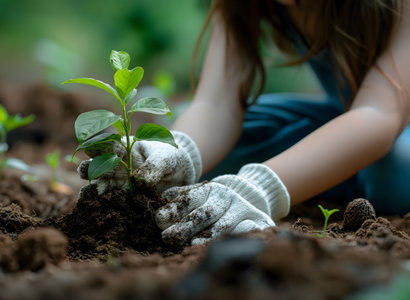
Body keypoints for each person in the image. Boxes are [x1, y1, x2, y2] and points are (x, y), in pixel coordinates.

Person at [80, 0, 410, 246]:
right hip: (352, 123)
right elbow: (216, 104)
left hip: (388, 128)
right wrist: (178, 151)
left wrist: (259, 188)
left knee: (395, 169)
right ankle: (334, 169)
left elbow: (380, 114)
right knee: (226, 142)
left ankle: (338, 172)